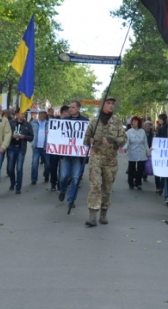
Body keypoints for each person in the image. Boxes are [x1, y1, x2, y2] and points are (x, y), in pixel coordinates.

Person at [83, 96, 127, 226]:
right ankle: (92, 216)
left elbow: (123, 139)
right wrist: (89, 140)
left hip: (111, 160)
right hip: (96, 158)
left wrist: (115, 140)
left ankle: (103, 213)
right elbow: (86, 139)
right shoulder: (94, 121)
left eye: (112, 104)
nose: (111, 106)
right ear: (103, 105)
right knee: (94, 186)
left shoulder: (117, 121)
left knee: (107, 188)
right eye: (108, 103)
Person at [58, 101, 90, 205]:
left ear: (78, 109)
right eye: (69, 107)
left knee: (76, 178)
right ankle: (63, 190)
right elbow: (58, 135)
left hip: (78, 155)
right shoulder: (64, 121)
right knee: (63, 176)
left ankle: (71, 199)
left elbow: (89, 136)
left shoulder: (85, 122)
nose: (70, 109)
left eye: (73, 107)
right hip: (66, 154)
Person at [6, 109, 34, 194]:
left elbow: (31, 137)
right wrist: (11, 136)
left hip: (21, 148)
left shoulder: (27, 125)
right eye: (21, 114)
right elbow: (5, 134)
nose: (23, 115)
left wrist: (24, 137)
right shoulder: (11, 123)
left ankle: (18, 187)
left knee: (19, 168)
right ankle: (12, 182)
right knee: (10, 168)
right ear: (17, 114)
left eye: (24, 114)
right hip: (11, 147)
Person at [123, 116, 149, 189]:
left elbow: (145, 142)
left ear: (139, 123)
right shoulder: (129, 131)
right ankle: (131, 183)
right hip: (132, 150)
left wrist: (148, 152)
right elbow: (127, 141)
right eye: (132, 121)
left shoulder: (142, 131)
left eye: (135, 121)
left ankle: (138, 182)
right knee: (131, 168)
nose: (133, 123)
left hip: (142, 151)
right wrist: (125, 147)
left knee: (141, 168)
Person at [48, 105, 69, 191]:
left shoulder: (70, 122)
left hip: (64, 149)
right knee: (53, 167)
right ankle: (53, 183)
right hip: (55, 148)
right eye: (68, 111)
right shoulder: (55, 121)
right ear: (64, 112)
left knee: (62, 168)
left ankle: (60, 184)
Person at [30, 110, 50, 185]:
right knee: (35, 163)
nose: (42, 115)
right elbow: (29, 132)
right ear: (38, 115)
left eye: (44, 114)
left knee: (48, 164)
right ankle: (34, 179)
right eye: (41, 114)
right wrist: (31, 141)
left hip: (46, 147)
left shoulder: (49, 123)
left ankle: (46, 175)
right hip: (36, 147)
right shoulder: (33, 123)